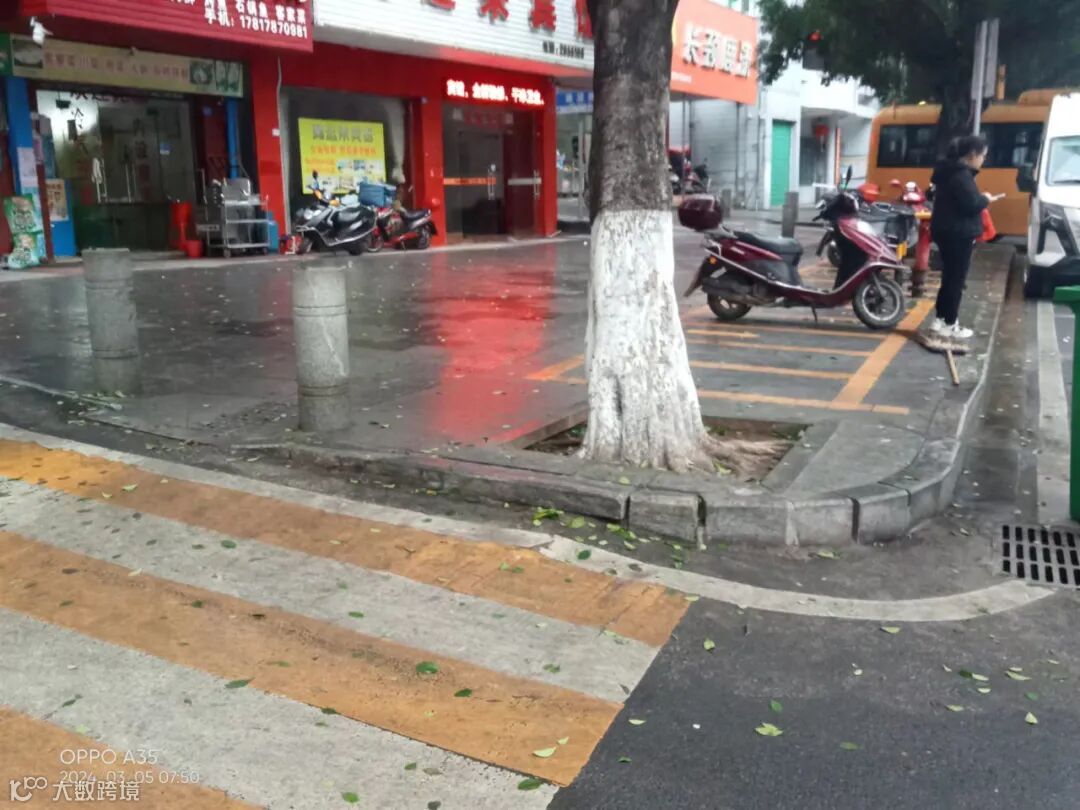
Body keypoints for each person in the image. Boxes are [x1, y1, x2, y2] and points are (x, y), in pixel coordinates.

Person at [928, 134, 1004, 339]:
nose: (983, 160)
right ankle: (950, 323)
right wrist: (985, 199)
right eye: (983, 156)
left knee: (949, 277)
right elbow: (971, 204)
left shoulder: (946, 172)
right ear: (972, 155)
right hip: (959, 232)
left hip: (944, 230)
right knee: (956, 280)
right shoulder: (961, 175)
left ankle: (940, 319)